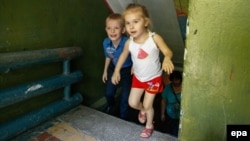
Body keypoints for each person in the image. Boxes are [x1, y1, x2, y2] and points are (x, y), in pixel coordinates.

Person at [111, 3, 174, 138]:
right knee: (133, 103)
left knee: (147, 104)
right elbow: (123, 56)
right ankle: (143, 111)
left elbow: (168, 51)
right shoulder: (129, 42)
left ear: (145, 22)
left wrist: (167, 58)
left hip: (153, 78)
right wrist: (116, 71)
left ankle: (149, 125)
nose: (131, 26)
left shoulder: (154, 39)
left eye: (135, 21)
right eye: (128, 23)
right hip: (139, 77)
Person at [102, 13, 132, 120]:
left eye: (116, 28)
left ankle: (123, 117)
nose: (112, 31)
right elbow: (108, 57)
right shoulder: (106, 42)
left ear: (123, 30)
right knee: (109, 93)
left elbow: (135, 55)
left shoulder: (127, 42)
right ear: (106, 30)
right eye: (109, 28)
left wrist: (134, 67)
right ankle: (111, 106)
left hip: (127, 71)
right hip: (113, 69)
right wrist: (105, 71)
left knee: (125, 97)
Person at [161, 70, 182, 137]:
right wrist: (162, 114)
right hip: (170, 116)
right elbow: (163, 101)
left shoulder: (185, 88)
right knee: (170, 132)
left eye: (177, 79)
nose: (176, 81)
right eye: (174, 80)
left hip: (181, 117)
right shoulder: (168, 88)